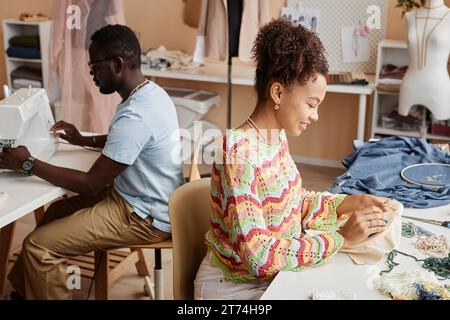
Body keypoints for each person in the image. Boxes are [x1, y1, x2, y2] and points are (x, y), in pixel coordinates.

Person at [194, 19, 389, 300]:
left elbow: (292, 204)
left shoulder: (275, 138)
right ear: (278, 92)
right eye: (311, 104)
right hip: (233, 287)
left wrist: (348, 202)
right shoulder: (237, 152)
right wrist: (340, 239)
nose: (315, 115)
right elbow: (258, 256)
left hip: (273, 277)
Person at [0, 24, 183, 300]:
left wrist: (28, 163)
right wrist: (82, 140)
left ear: (117, 64)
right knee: (54, 214)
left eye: (95, 65)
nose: (91, 73)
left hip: (143, 217)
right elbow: (123, 140)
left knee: (39, 246)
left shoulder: (136, 116)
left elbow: (91, 184)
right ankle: (26, 291)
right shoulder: (150, 94)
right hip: (142, 198)